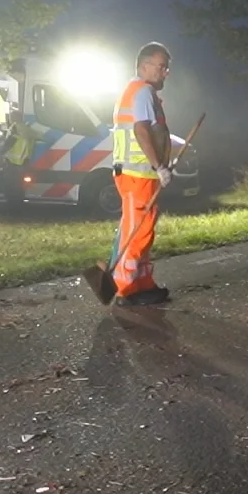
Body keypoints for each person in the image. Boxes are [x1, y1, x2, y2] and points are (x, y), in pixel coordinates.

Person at [109, 42, 177, 307]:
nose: (165, 72)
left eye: (166, 67)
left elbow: (157, 133)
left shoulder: (139, 92)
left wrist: (163, 162)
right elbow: (141, 131)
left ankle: (143, 283)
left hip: (140, 175)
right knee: (138, 231)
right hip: (137, 175)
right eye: (161, 66)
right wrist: (158, 165)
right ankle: (126, 289)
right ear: (144, 66)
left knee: (143, 230)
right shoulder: (142, 92)